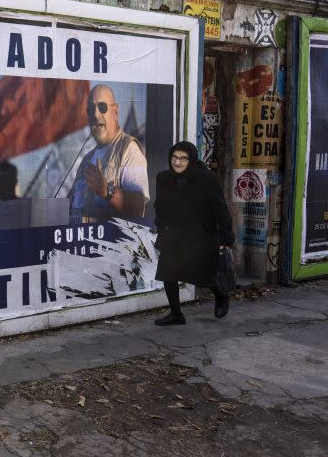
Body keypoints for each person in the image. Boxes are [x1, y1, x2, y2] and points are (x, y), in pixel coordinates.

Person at [153, 141, 234, 325]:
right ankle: (176, 314)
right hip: (173, 233)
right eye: (174, 157)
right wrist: (161, 225)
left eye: (183, 158)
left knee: (202, 276)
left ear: (191, 160)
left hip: (201, 235)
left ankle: (221, 293)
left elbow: (220, 209)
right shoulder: (163, 177)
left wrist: (226, 235)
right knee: (168, 273)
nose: (178, 162)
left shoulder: (207, 179)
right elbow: (160, 205)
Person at [69, 84, 148, 220]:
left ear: (115, 112)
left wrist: (107, 190)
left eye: (102, 107)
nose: (95, 114)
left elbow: (138, 207)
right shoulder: (86, 159)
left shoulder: (129, 149)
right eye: (91, 109)